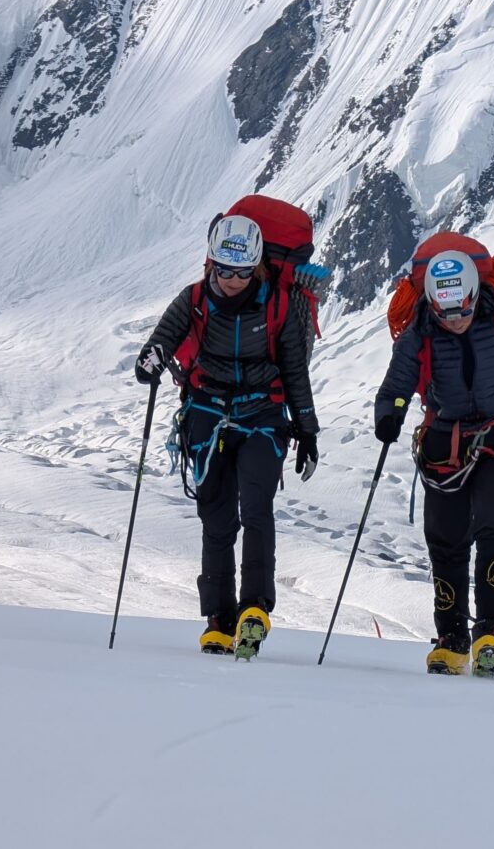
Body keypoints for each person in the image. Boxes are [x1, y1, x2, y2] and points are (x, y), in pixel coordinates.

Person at [374, 249, 494, 675]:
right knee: (445, 539)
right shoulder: (418, 335)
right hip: (446, 441)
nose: (457, 320)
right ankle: (451, 638)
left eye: (462, 310)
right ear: (431, 303)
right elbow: (395, 385)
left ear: (474, 295)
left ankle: (490, 630)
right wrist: (388, 414)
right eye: (447, 314)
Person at [135, 213, 320, 658]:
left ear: (256, 266)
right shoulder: (194, 299)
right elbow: (163, 339)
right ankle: (218, 619)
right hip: (206, 415)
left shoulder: (277, 305)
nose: (233, 280)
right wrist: (151, 360)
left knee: (257, 510)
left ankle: (253, 608)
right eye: (224, 270)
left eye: (242, 271)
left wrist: (308, 432)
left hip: (262, 418)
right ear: (211, 265)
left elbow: (295, 372)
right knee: (217, 519)